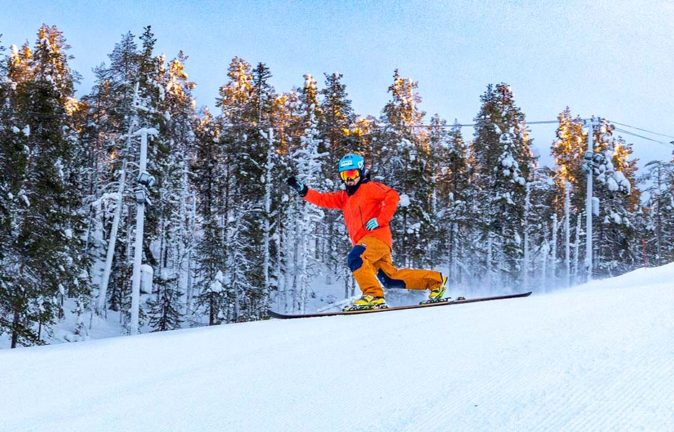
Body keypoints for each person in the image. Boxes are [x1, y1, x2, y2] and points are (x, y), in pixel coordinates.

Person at [286, 152, 447, 311]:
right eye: (345, 175)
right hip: (369, 244)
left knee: (356, 257)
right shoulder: (344, 197)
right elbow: (322, 199)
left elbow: (392, 195)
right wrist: (303, 190)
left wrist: (381, 219)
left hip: (376, 238)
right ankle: (436, 283)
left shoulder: (369, 188)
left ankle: (373, 296)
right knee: (390, 279)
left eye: (352, 173)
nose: (349, 179)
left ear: (361, 172)